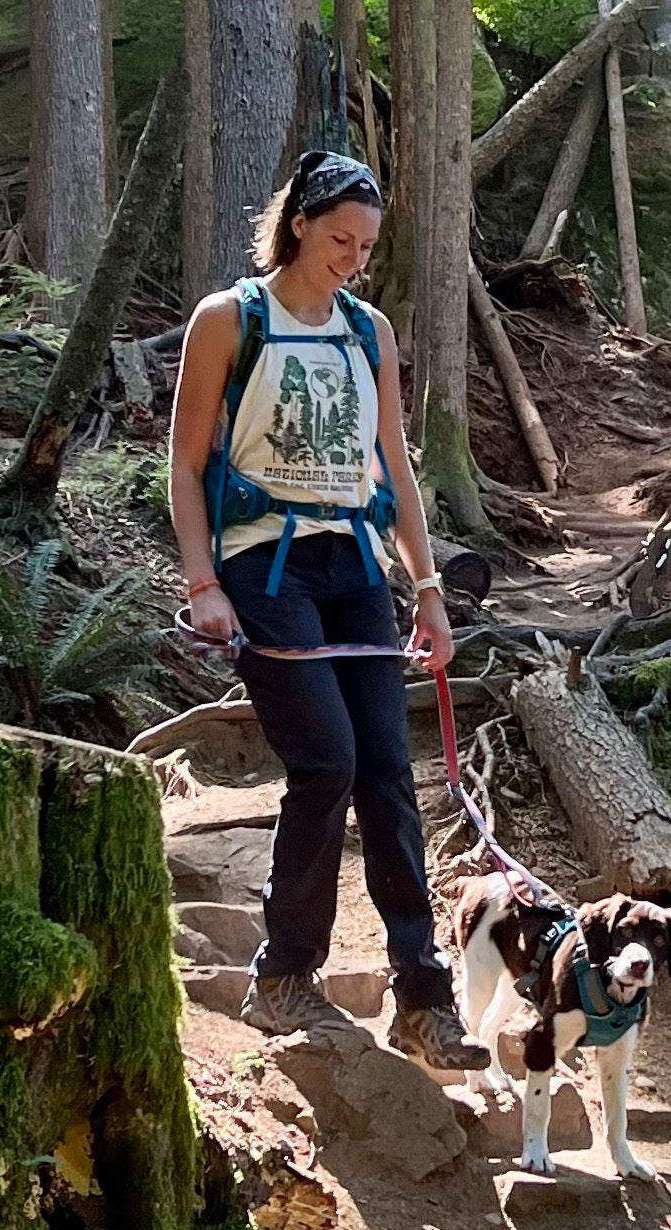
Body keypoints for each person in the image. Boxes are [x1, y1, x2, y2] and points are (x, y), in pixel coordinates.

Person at [169, 149, 490, 1070]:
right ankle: (284, 975)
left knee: (389, 770)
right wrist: (203, 585)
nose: (353, 257)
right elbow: (186, 465)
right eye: (341, 238)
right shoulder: (230, 320)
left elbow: (393, 464)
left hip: (354, 563)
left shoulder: (368, 331)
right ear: (300, 222)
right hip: (264, 567)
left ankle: (421, 996)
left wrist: (426, 589)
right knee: (328, 761)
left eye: (367, 245)